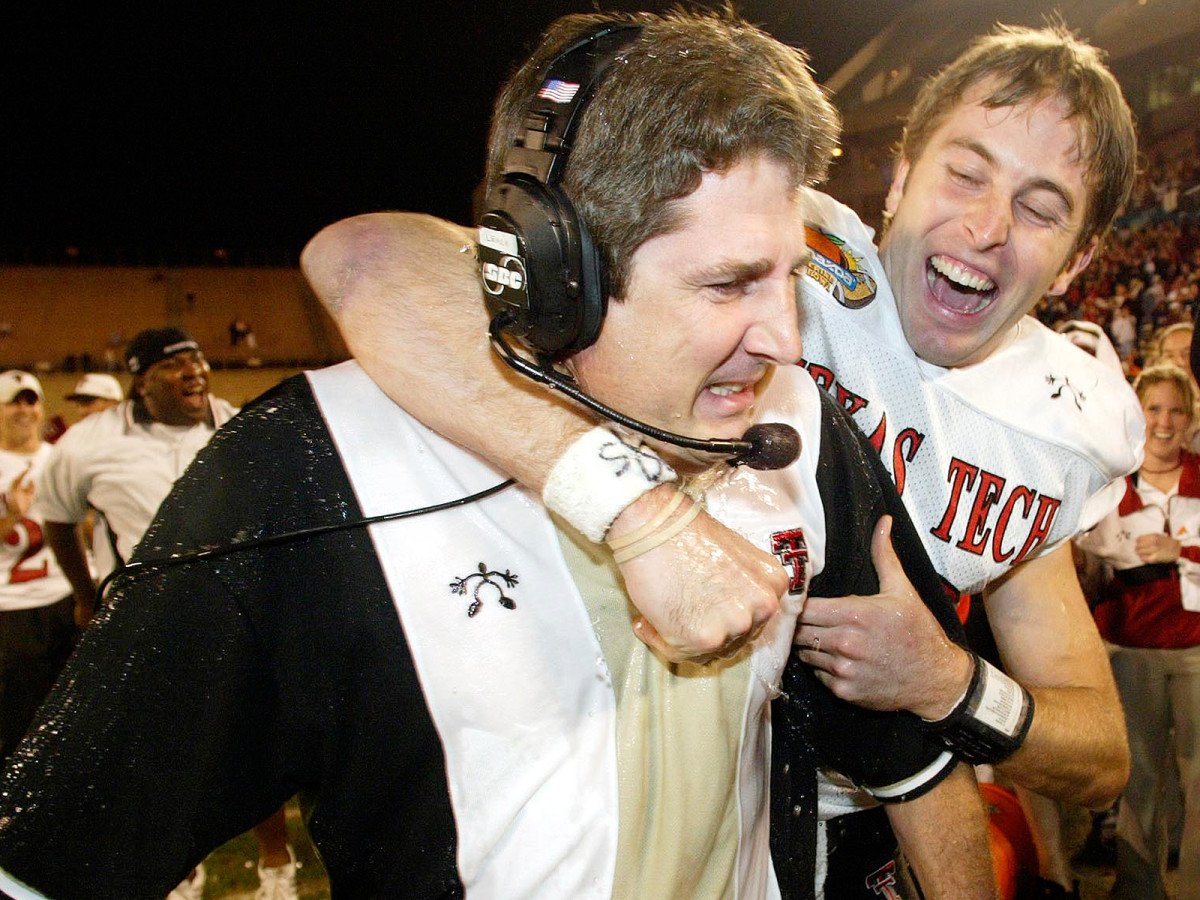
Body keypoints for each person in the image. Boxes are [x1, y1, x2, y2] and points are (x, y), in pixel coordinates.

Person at [0, 13, 995, 900]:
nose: (785, 332)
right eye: (730, 283)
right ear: (557, 276)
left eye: (790, 275)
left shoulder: (796, 426)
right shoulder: (312, 464)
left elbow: (911, 760)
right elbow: (51, 860)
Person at [301, 21, 1141, 897]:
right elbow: (379, 259)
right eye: (965, 172)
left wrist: (952, 682)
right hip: (632, 761)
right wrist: (635, 510)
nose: (987, 225)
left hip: (876, 811)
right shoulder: (760, 240)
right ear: (897, 175)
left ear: (1079, 259)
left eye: (1041, 208)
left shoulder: (1047, 425)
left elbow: (1101, 756)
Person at [30, 328, 296, 900]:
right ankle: (179, 864)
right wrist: (83, 594)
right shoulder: (88, 442)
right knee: (160, 747)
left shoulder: (240, 424)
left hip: (241, 611)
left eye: (197, 359)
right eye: (175, 364)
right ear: (142, 380)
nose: (194, 370)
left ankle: (277, 862)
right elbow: (56, 515)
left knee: (252, 739)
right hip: (149, 618)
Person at [1074, 363, 1200, 900]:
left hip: (1197, 652)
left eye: (1176, 410)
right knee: (1141, 780)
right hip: (1129, 652)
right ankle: (1138, 890)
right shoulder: (1109, 484)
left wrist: (1184, 551)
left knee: (1199, 783)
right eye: (1154, 409)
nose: (1164, 422)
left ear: (1191, 418)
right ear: (1137, 413)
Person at [0, 372, 74, 761]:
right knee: (18, 726)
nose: (24, 410)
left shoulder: (60, 458)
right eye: (14, 401)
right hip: (11, 609)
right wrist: (13, 517)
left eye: (31, 401)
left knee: (71, 719)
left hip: (64, 599)